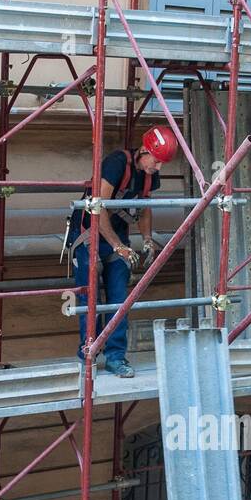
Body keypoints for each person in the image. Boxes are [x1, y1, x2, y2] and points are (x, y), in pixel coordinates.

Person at [68, 125, 177, 378]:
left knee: (119, 300)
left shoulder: (149, 174)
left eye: (162, 164)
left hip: (118, 238)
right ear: (144, 151)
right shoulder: (116, 163)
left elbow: (145, 207)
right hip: (89, 238)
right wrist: (118, 245)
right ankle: (89, 354)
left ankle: (116, 357)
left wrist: (147, 238)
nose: (158, 168)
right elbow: (99, 207)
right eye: (157, 161)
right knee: (90, 299)